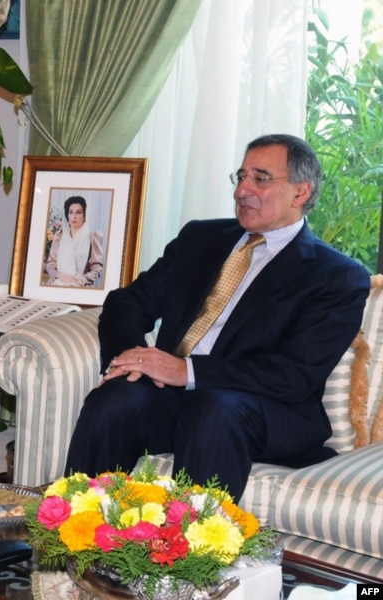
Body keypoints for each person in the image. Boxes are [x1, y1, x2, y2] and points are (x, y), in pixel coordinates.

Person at [64, 134, 370, 501]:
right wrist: (133, 359)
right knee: (117, 397)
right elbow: (128, 301)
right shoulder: (201, 238)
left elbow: (294, 374)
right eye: (240, 177)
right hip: (172, 397)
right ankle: (76, 524)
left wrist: (188, 371)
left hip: (265, 410)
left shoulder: (336, 275)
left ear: (300, 192)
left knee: (214, 410)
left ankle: (196, 538)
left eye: (260, 179)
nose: (242, 191)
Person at [45, 195, 104, 287]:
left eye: (79, 212)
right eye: (71, 212)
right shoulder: (59, 236)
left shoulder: (92, 237)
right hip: (57, 284)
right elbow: (50, 265)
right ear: (67, 215)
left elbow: (96, 269)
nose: (74, 216)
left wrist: (80, 280)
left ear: (84, 216)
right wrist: (60, 276)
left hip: (80, 286)